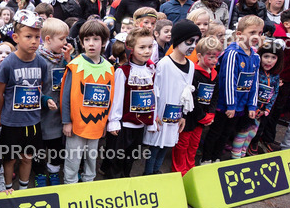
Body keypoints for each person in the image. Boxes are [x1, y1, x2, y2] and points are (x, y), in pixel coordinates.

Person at [0, 10, 49, 191]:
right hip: (11, 123)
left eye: (37, 37)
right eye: (28, 36)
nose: (34, 41)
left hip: (33, 122)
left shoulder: (41, 63)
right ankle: (7, 189)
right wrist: (1, 116)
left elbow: (40, 89)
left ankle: (23, 190)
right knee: (10, 159)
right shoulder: (8, 64)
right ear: (16, 38)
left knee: (27, 157)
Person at [202, 15, 263, 163]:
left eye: (260, 33)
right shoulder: (232, 53)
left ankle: (216, 157)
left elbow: (254, 83)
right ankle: (206, 159)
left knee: (227, 133)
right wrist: (231, 105)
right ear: (240, 34)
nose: (256, 36)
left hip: (240, 105)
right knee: (216, 132)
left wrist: (252, 105)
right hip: (226, 104)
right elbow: (228, 80)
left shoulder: (255, 56)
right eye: (252, 32)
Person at [142, 20, 201, 174]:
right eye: (190, 41)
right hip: (161, 112)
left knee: (167, 144)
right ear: (179, 39)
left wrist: (183, 115)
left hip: (175, 114)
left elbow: (187, 94)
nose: (193, 46)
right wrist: (154, 114)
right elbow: (155, 90)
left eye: (196, 42)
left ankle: (156, 172)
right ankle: (148, 175)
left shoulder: (191, 65)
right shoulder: (164, 64)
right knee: (155, 146)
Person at [60, 19, 114, 184]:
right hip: (76, 124)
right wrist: (66, 122)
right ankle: (70, 184)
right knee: (73, 158)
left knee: (91, 158)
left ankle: (88, 183)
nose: (91, 43)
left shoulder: (109, 68)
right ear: (82, 43)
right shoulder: (75, 66)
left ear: (103, 42)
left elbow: (108, 99)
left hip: (96, 124)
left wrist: (104, 123)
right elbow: (65, 96)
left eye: (96, 39)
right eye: (87, 39)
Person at [105, 27, 156, 179]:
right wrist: (114, 121)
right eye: (142, 47)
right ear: (131, 48)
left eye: (150, 47)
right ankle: (113, 183)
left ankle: (125, 181)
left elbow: (153, 95)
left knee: (131, 157)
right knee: (117, 159)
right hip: (124, 125)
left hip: (140, 125)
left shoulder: (151, 70)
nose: (147, 51)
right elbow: (117, 98)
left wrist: (152, 120)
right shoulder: (123, 71)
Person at [254, 7, 290, 152]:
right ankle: (259, 139)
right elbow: (271, 61)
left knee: (277, 112)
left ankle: (268, 138)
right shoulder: (282, 41)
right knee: (268, 111)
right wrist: (275, 77)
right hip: (278, 82)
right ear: (287, 24)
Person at [176, 36, 224, 174]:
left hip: (203, 117)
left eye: (217, 57)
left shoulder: (214, 75)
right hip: (190, 115)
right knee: (183, 143)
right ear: (199, 56)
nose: (214, 61)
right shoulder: (193, 73)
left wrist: (211, 113)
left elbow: (215, 96)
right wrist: (202, 115)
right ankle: (179, 170)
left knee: (194, 144)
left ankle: (190, 168)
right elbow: (191, 97)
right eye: (211, 57)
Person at [231, 38, 283, 158]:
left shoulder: (275, 76)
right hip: (250, 109)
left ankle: (243, 153)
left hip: (262, 112)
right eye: (266, 56)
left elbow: (274, 93)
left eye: (273, 57)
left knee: (252, 133)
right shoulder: (256, 71)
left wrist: (267, 109)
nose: (269, 61)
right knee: (243, 132)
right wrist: (252, 108)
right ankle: (235, 155)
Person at [37, 17, 72, 186]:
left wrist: (68, 59)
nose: (65, 42)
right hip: (39, 113)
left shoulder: (63, 58)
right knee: (38, 146)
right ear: (48, 39)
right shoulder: (37, 59)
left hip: (57, 113)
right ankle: (39, 173)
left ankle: (53, 171)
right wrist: (44, 100)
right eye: (62, 39)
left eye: (66, 38)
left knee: (55, 145)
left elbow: (73, 77)